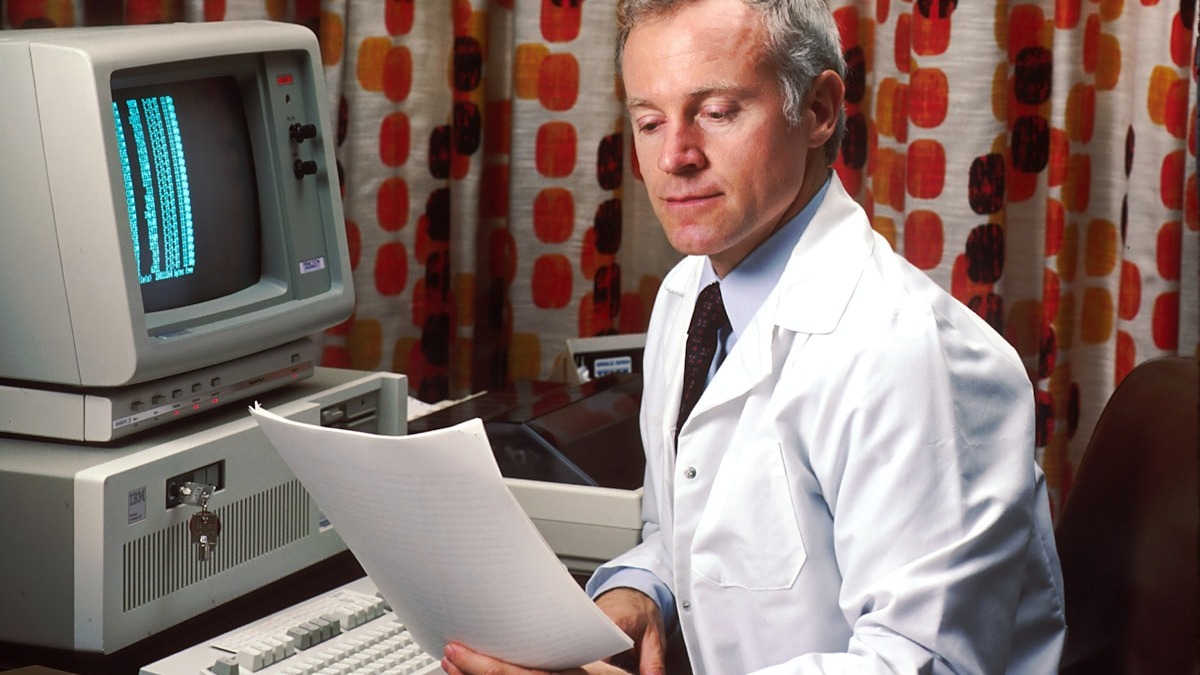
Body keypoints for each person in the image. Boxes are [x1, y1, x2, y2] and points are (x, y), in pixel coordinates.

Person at [443, 0, 1067, 672]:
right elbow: (693, 534)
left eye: (716, 112)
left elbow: (921, 661)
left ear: (819, 110)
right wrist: (641, 589)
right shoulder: (689, 296)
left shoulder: (911, 353)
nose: (674, 157)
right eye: (649, 122)